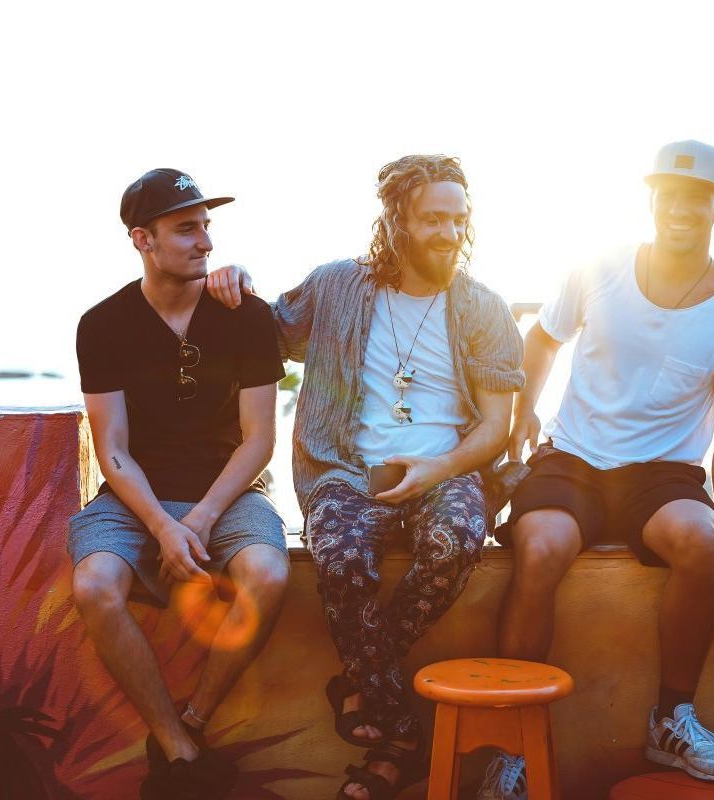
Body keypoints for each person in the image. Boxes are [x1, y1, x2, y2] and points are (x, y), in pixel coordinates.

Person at [207, 154, 523, 800]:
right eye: (432, 218)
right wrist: (233, 282)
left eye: (458, 219)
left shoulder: (484, 310)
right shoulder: (336, 287)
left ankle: (364, 690)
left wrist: (439, 466)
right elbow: (263, 332)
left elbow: (495, 429)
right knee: (344, 563)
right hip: (345, 471)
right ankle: (402, 732)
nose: (448, 232)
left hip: (447, 469)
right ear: (397, 220)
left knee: (455, 540)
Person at [480, 141, 714, 798]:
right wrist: (525, 412)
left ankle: (671, 720)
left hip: (662, 472)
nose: (680, 207)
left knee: (700, 543)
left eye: (696, 197)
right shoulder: (599, 268)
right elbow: (543, 339)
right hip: (574, 457)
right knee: (542, 544)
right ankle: (511, 741)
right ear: (651, 200)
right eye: (668, 193)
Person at [69, 168, 290, 800]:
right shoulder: (103, 324)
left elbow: (259, 440)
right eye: (186, 229)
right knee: (95, 586)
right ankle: (177, 746)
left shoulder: (244, 316)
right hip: (133, 495)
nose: (205, 243)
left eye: (207, 227)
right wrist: (163, 525)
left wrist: (198, 519)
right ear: (143, 239)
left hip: (228, 491)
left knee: (269, 577)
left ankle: (192, 721)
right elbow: (111, 449)